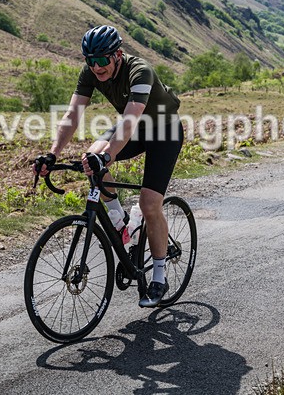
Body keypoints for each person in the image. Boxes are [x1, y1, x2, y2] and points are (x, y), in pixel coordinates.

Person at [35, 24, 183, 308]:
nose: (97, 67)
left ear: (118, 54)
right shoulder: (91, 72)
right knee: (90, 157)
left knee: (150, 203)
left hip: (164, 132)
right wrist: (52, 154)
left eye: (102, 60)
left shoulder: (141, 71)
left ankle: (159, 278)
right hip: (136, 130)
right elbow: (72, 115)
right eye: (91, 61)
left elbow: (129, 120)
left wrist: (107, 157)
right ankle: (120, 222)